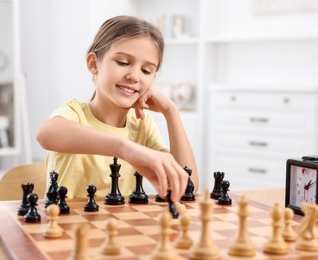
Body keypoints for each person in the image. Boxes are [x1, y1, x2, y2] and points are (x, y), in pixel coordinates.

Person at [36, 15, 199, 201]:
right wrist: (124, 148)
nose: (134, 76)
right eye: (123, 62)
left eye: (146, 70)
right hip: (68, 227)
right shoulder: (75, 114)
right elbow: (45, 133)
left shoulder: (141, 124)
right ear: (93, 63)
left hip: (119, 228)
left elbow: (187, 187)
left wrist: (171, 112)